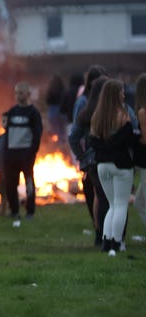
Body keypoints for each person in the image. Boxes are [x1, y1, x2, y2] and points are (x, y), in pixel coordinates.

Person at [89, 78, 136, 255]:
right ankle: (116, 244)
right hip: (121, 166)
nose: (124, 94)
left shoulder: (97, 116)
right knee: (121, 205)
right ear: (116, 95)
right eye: (122, 91)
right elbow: (128, 139)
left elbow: (93, 142)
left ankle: (106, 242)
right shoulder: (124, 115)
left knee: (110, 205)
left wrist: (105, 148)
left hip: (102, 166)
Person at [68, 74, 109, 246]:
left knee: (99, 198)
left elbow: (73, 137)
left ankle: (101, 234)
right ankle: (109, 236)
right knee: (106, 199)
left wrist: (83, 157)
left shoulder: (87, 111)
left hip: (93, 161)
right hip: (103, 160)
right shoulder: (108, 110)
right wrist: (83, 157)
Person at [4, 82, 43, 227]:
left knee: (28, 183)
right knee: (10, 184)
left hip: (26, 153)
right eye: (16, 93)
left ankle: (30, 211)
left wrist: (32, 151)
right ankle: (14, 210)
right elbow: (8, 133)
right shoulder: (12, 111)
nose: (18, 96)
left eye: (20, 93)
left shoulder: (33, 113)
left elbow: (37, 134)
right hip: (12, 153)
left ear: (28, 94)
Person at [133, 73, 146, 228]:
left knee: (141, 202)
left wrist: (133, 136)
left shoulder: (142, 112)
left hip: (144, 161)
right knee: (138, 202)